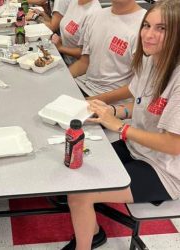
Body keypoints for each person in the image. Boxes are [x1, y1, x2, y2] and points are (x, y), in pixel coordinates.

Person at [62, 1, 180, 249]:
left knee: (79, 194)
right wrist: (112, 111)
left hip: (165, 171)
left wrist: (121, 127)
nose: (148, 34)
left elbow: (174, 144)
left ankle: (88, 242)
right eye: (147, 25)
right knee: (74, 163)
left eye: (162, 28)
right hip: (136, 149)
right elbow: (140, 105)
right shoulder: (151, 60)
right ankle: (92, 229)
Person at [69, 0, 146, 98]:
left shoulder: (147, 27)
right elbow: (84, 62)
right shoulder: (96, 16)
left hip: (112, 103)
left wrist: (90, 101)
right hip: (83, 86)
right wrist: (63, 80)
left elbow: (139, 86)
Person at [51, 0, 101, 66]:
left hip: (76, 67)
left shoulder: (94, 14)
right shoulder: (74, 2)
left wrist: (60, 48)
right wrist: (60, 40)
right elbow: (71, 34)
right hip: (64, 59)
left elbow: (85, 55)